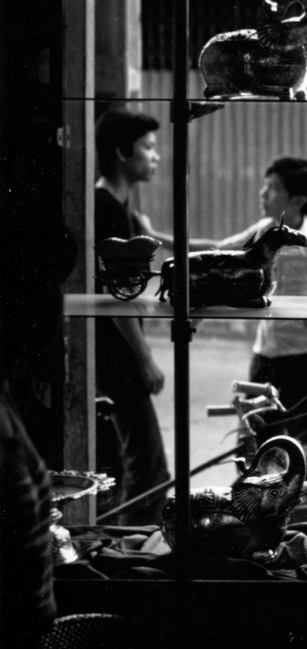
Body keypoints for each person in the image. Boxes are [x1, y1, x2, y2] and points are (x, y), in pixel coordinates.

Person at [213, 157, 307, 480]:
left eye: (272, 188)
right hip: (264, 362)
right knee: (257, 456)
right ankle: (260, 529)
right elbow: (222, 251)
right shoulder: (262, 232)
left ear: (298, 200)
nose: (263, 193)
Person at [93, 109, 172, 525]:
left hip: (116, 352)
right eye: (148, 148)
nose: (156, 157)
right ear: (123, 152)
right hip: (119, 354)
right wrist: (145, 359)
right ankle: (138, 560)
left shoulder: (119, 207)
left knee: (134, 465)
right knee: (150, 471)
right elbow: (117, 294)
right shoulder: (108, 209)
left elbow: (170, 242)